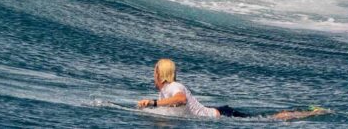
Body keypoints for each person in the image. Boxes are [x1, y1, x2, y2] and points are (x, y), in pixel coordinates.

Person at [137, 58, 329, 121]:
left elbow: (181, 99)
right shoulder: (165, 91)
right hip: (217, 111)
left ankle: (309, 113)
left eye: (154, 71)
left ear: (160, 73)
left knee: (269, 120)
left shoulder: (174, 87)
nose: (152, 75)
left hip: (223, 115)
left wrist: (153, 103)